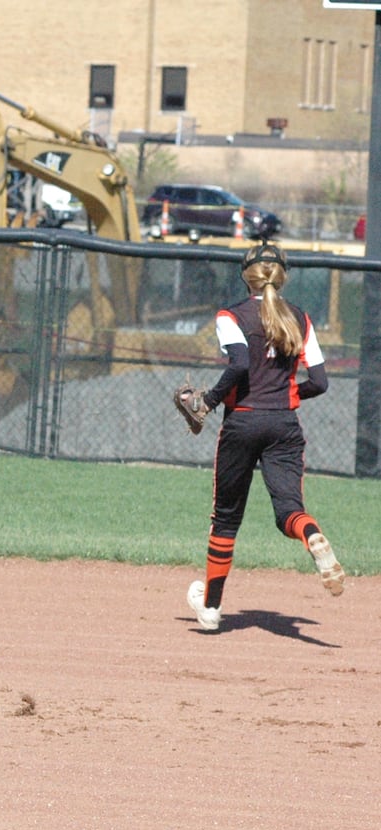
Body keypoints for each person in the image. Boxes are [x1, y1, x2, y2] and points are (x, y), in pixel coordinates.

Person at [183, 241, 342, 631]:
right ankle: (312, 535)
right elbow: (319, 382)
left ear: (245, 274)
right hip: (284, 425)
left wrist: (209, 400)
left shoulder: (231, 315)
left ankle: (211, 609)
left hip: (243, 423)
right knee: (289, 511)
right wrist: (288, 394)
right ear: (282, 275)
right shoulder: (299, 318)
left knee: (225, 519)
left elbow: (239, 364)